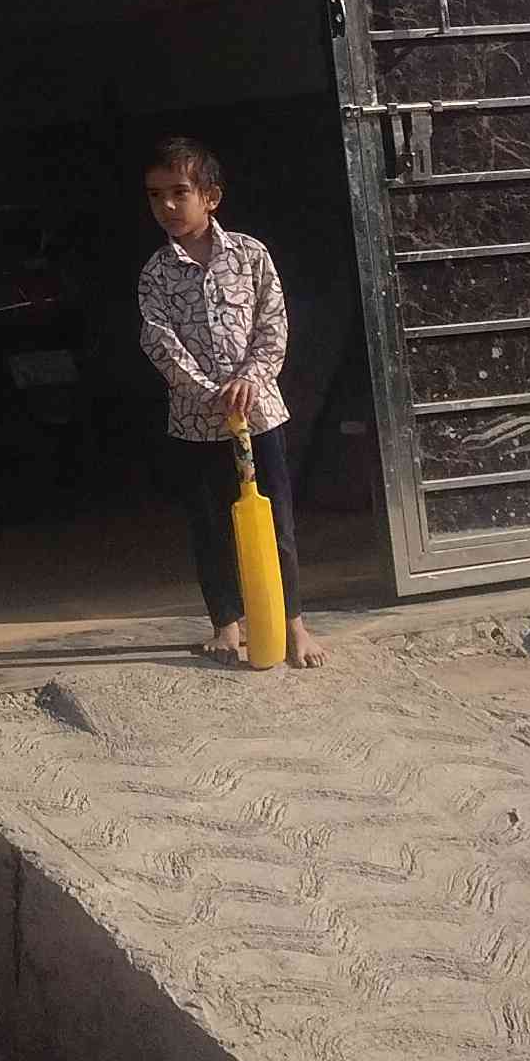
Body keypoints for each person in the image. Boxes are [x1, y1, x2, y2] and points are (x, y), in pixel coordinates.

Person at [137, 135, 324, 668]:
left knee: (276, 524)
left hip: (259, 416)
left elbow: (273, 324)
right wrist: (207, 391)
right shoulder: (156, 273)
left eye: (180, 192)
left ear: (211, 197)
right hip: (196, 424)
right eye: (155, 195)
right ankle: (226, 624)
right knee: (211, 526)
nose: (167, 205)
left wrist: (250, 379)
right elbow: (159, 341)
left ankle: (293, 624)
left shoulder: (250, 255)